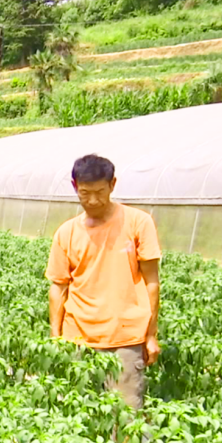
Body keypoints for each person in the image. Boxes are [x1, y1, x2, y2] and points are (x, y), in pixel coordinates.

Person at [46, 154, 161, 409]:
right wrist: (56, 337)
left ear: (113, 184)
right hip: (78, 339)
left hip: (125, 338)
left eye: (100, 191)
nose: (93, 200)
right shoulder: (67, 232)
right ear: (75, 187)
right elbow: (58, 287)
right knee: (79, 413)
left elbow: (152, 281)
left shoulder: (138, 223)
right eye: (85, 193)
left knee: (126, 413)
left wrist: (151, 335)